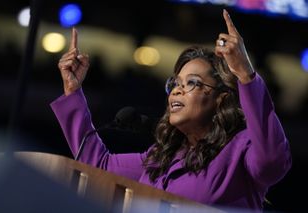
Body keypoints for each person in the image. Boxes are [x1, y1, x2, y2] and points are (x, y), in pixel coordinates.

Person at [51, 9, 291, 211]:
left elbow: (273, 161)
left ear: (220, 100)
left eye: (192, 83)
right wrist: (73, 91)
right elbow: (99, 166)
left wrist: (245, 75)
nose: (177, 90)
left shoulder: (240, 151)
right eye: (175, 83)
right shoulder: (161, 158)